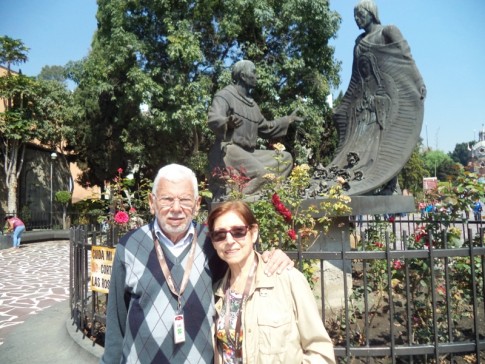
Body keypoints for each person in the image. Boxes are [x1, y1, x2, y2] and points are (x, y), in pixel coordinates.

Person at [101, 164, 293, 364]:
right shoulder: (129, 246)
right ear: (152, 202)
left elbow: (245, 261)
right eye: (167, 199)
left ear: (197, 203)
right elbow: (116, 322)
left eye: (184, 200)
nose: (176, 208)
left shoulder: (213, 243)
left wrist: (273, 256)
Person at [208, 200, 336, 363]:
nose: (229, 240)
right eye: (219, 234)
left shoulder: (287, 280)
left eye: (238, 231)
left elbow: (320, 351)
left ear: (253, 232)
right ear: (213, 241)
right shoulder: (216, 292)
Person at [323, 0, 426, 196]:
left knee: (382, 143)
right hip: (364, 103)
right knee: (359, 146)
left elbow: (406, 58)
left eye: (360, 14)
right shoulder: (359, 42)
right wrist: (344, 106)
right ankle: (364, 183)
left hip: (382, 100)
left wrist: (419, 82)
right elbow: (355, 78)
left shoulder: (388, 31)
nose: (356, 19)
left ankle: (390, 185)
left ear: (371, 13)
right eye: (354, 15)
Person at [208, 59, 302, 199]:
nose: (257, 76)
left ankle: (269, 192)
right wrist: (227, 122)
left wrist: (288, 120)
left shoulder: (253, 105)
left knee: (286, 159)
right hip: (229, 151)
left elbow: (266, 128)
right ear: (243, 76)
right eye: (254, 72)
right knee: (263, 173)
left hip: (249, 153)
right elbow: (213, 118)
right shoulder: (225, 95)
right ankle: (237, 197)